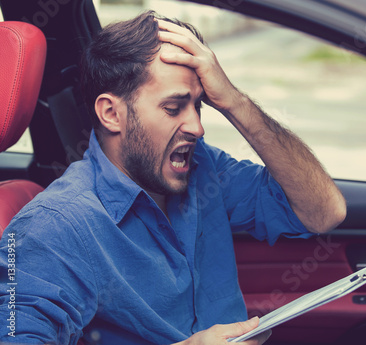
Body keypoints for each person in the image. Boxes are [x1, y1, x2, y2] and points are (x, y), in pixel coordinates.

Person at [0, 11, 346, 345]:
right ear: (111, 114)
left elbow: (324, 212)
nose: (197, 127)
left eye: (199, 105)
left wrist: (233, 102)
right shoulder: (53, 226)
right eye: (173, 107)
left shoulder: (202, 169)